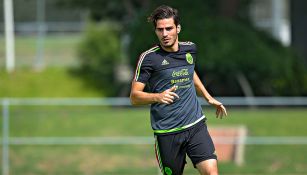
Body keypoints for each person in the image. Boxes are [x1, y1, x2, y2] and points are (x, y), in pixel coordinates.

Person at [130, 5, 227, 175]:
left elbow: (191, 72)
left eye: (169, 28)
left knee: (212, 172)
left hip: (195, 125)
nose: (165, 34)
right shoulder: (149, 58)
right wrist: (158, 97)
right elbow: (134, 97)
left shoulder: (190, 49)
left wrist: (208, 97)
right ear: (156, 31)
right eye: (160, 30)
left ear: (178, 28)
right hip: (167, 132)